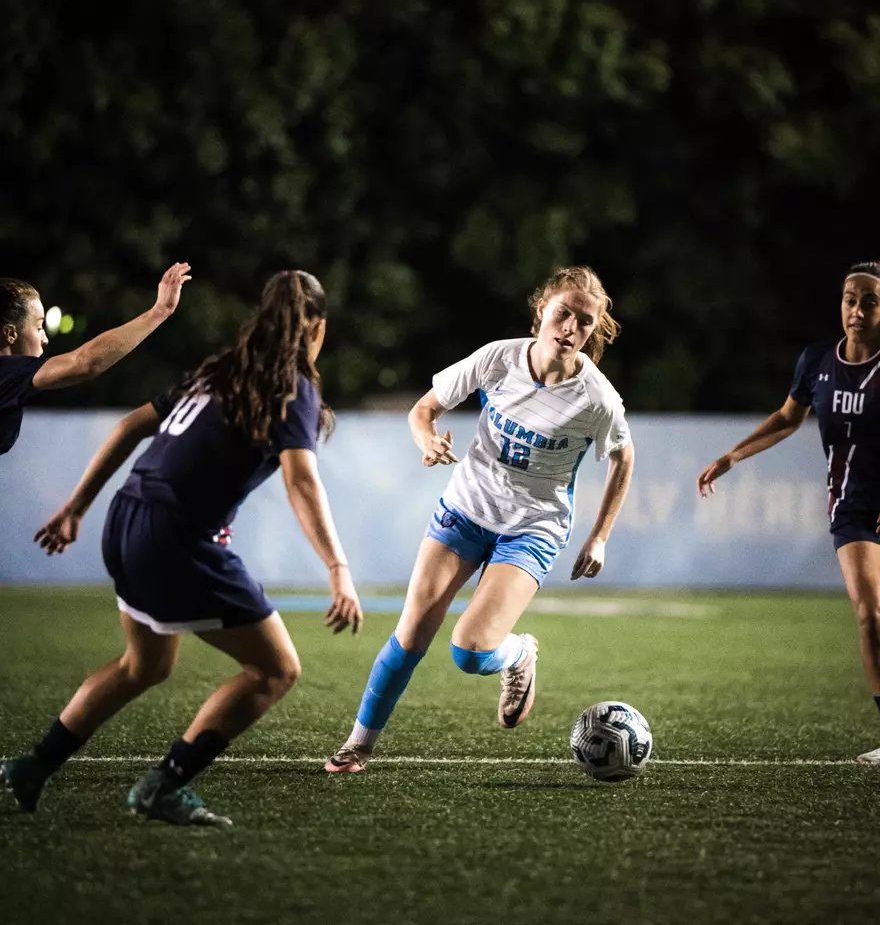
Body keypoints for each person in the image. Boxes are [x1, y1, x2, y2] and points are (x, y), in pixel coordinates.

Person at [1, 270, 363, 826]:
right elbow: (302, 481)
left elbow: (128, 426)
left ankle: (33, 767)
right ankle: (164, 786)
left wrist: (76, 509)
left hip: (125, 521)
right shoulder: (292, 386)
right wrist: (338, 567)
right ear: (316, 327)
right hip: (174, 539)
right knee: (275, 669)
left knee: (142, 665)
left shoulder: (216, 371)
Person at [324, 265, 634, 773]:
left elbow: (623, 457)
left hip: (532, 529)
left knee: (469, 652)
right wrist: (427, 439)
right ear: (541, 312)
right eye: (563, 313)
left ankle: (517, 655)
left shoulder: (596, 399)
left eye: (583, 321)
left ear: (592, 329)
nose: (570, 328)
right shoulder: (498, 358)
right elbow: (423, 409)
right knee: (410, 637)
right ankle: (358, 744)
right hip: (465, 511)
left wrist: (599, 536)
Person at [697, 260, 880, 765]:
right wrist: (733, 455)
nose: (857, 310)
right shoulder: (819, 359)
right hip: (852, 510)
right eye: (850, 299)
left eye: (870, 301)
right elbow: (787, 418)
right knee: (871, 618)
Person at [0, 264, 191, 455]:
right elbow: (84, 362)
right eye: (39, 327)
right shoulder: (6, 371)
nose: (45, 338)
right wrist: (158, 312)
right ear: (10, 333)